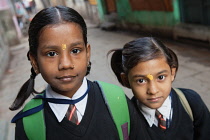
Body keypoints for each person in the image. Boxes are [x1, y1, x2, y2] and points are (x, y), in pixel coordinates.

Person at [10, 6, 147, 140]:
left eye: (75, 50)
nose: (66, 64)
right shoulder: (29, 124)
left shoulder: (117, 101)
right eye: (51, 53)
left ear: (87, 53)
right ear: (34, 61)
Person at [108, 37, 210, 139]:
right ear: (126, 80)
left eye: (161, 77)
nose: (153, 90)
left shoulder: (191, 102)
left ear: (172, 73)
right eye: (141, 80)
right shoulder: (126, 119)